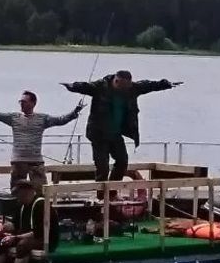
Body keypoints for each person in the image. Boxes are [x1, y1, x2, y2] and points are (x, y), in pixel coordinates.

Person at [61, 70, 181, 198]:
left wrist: (166, 84)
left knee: (122, 161)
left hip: (115, 134)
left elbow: (148, 85)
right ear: (116, 81)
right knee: (102, 166)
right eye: (123, 86)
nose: (125, 89)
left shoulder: (132, 88)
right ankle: (102, 197)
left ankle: (111, 192)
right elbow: (85, 87)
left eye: (128, 86)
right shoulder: (101, 87)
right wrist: (72, 86)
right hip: (98, 134)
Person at [0, 88, 83, 189]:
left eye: (24, 101)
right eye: (20, 101)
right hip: (18, 161)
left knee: (40, 190)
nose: (21, 104)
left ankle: (39, 208)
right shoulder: (14, 117)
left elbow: (60, 120)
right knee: (16, 191)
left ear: (33, 103)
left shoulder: (42, 118)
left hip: (36, 162)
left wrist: (74, 112)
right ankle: (17, 208)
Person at [0, 179, 59, 263]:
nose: (18, 196)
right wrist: (3, 228)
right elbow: (15, 224)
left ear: (28, 192)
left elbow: (37, 233)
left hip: (44, 238)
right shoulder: (21, 205)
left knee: (23, 246)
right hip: (25, 236)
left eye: (19, 193)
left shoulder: (40, 205)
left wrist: (15, 237)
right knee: (0, 242)